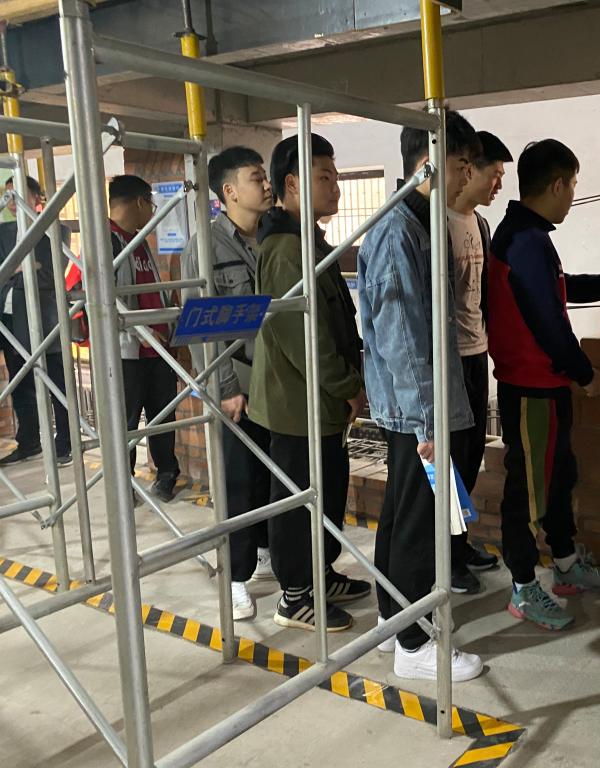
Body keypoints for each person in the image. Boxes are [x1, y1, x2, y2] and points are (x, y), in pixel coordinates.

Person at [488, 139, 600, 631]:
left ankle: (566, 564)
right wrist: (586, 373)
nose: (574, 194)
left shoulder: (529, 236)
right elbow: (548, 323)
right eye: (573, 184)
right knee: (527, 492)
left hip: (544, 387)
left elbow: (559, 286)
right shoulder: (524, 240)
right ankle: (522, 588)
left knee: (559, 477)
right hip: (531, 388)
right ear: (557, 185)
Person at [358, 107, 484, 682]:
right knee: (416, 522)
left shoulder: (419, 221)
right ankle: (413, 643)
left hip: (414, 404)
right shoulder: (398, 231)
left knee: (402, 514)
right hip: (415, 408)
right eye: (461, 164)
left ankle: (393, 622)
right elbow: (403, 336)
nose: (467, 177)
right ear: (429, 162)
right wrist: (429, 420)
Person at [248, 134, 371, 632]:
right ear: (293, 183)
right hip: (296, 405)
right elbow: (304, 339)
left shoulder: (308, 242)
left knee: (327, 494)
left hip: (321, 401)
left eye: (335, 176)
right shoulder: (284, 250)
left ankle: (321, 574)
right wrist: (346, 385)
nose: (335, 186)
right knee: (299, 502)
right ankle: (295, 596)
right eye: (324, 177)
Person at [181, 146, 276, 621]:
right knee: (237, 481)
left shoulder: (274, 236)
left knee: (271, 475)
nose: (267, 185)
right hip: (236, 379)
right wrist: (223, 388)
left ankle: (264, 550)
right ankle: (235, 577)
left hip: (275, 379)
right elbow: (202, 327)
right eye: (256, 178)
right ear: (229, 191)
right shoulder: (207, 246)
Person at [445, 130, 512, 594]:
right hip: (448, 361)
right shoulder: (435, 223)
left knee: (468, 458)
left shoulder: (481, 226)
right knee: (447, 464)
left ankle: (459, 543)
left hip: (476, 353)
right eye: (494, 174)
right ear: (469, 170)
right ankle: (443, 557)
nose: (498, 184)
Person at [109, 175, 181, 502]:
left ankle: (167, 475)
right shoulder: (106, 240)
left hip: (158, 348)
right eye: (150, 204)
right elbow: (104, 300)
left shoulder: (138, 240)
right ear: (140, 201)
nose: (152, 211)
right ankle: (123, 483)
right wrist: (139, 329)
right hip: (128, 352)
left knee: (163, 416)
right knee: (125, 422)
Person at [0, 175, 72, 467]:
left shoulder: (55, 231)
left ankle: (65, 443)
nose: (12, 202)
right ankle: (29, 442)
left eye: (17, 194)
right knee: (20, 385)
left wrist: (14, 272)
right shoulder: (3, 232)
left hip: (43, 320)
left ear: (36, 198)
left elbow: (48, 276)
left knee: (57, 384)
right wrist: (21, 270)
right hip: (9, 320)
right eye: (7, 196)